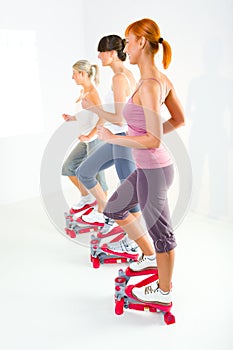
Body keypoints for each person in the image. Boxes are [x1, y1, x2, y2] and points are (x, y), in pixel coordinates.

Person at [97, 18, 185, 305]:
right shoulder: (159, 80)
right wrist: (148, 132)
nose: (126, 47)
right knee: (115, 207)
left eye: (129, 41)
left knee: (163, 236)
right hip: (148, 169)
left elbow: (154, 141)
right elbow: (178, 121)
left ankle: (163, 293)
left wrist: (114, 138)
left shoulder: (149, 85)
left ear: (142, 43)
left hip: (155, 170)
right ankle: (148, 257)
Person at [74, 35, 140, 232]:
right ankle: (108, 212)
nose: (98, 55)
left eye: (102, 51)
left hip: (122, 139)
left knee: (129, 193)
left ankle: (135, 242)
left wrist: (93, 108)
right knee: (84, 172)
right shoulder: (125, 74)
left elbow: (120, 118)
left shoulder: (119, 78)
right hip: (118, 138)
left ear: (112, 54)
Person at [61, 59, 108, 213]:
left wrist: (90, 136)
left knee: (98, 179)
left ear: (82, 73)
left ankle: (103, 213)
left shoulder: (93, 93)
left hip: (95, 140)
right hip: (86, 139)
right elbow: (89, 115)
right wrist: (72, 118)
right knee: (69, 167)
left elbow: (103, 118)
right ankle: (87, 197)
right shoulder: (83, 91)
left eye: (74, 73)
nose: (72, 77)